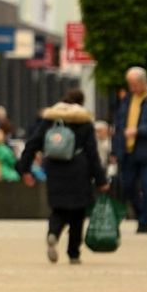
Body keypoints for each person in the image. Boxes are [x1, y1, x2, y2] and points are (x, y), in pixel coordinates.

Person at [17, 88, 106, 264]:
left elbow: (32, 144)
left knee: (58, 208)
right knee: (78, 212)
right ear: (81, 103)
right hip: (79, 169)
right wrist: (101, 179)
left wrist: (25, 169)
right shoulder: (84, 122)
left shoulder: (50, 120)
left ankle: (53, 233)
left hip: (55, 169)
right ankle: (73, 253)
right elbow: (92, 153)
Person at [110, 66, 147, 233]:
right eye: (130, 84)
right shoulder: (128, 99)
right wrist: (115, 149)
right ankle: (139, 212)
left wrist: (139, 131)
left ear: (143, 82)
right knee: (127, 185)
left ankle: (144, 222)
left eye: (134, 84)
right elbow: (119, 125)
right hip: (127, 150)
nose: (132, 88)